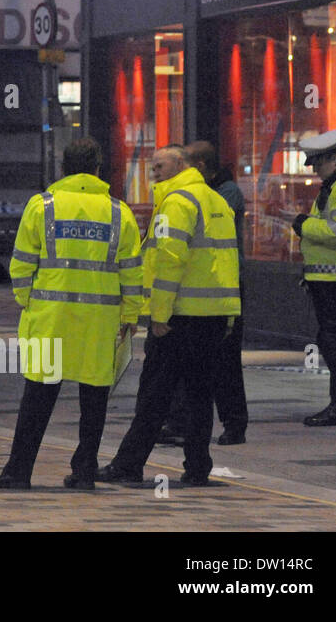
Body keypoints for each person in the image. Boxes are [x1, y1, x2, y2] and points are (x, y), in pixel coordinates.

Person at [0, 138, 143, 490]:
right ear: (98, 169)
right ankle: (85, 473)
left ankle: (19, 471)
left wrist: (26, 300)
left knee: (37, 397)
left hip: (51, 318)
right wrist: (130, 316)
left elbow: (22, 263)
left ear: (63, 168)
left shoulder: (42, 206)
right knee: (94, 399)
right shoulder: (119, 212)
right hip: (99, 323)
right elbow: (132, 271)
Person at [98, 145, 241, 487]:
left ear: (180, 164)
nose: (154, 172)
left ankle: (128, 466)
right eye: (152, 167)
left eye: (160, 165)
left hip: (179, 316)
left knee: (154, 394)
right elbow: (228, 260)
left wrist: (158, 315)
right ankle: (197, 467)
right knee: (199, 394)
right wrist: (230, 312)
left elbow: (168, 261)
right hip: (213, 315)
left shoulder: (177, 202)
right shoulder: (215, 200)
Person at [158, 141, 249, 446]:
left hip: (219, 291)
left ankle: (233, 423)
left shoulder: (221, 195)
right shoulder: (203, 195)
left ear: (198, 167)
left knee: (223, 364)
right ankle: (188, 434)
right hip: (204, 292)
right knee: (198, 372)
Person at [292, 130, 336, 426]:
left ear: (334, 159)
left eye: (318, 164)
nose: (315, 170)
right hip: (326, 277)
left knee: (334, 340)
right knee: (331, 339)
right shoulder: (335, 186)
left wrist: (304, 225)